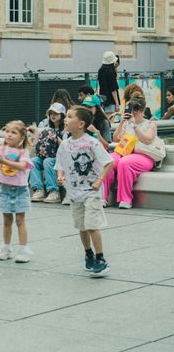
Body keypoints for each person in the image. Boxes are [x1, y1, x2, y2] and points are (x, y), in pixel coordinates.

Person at [55, 106, 114, 277]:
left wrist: (99, 180)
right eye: (66, 116)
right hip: (74, 192)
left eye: (69, 116)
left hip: (91, 191)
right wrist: (60, 176)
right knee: (81, 226)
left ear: (81, 124)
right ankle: (88, 254)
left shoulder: (92, 142)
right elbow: (60, 164)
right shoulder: (65, 145)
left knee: (92, 225)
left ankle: (101, 258)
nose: (65, 119)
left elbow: (109, 162)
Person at [0, 121, 34, 262]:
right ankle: (6, 248)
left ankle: (23, 250)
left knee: (20, 220)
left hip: (20, 190)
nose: (9, 134)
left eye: (13, 132)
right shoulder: (2, 149)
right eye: (7, 131)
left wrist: (4, 162)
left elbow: (22, 166)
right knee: (7, 221)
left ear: (21, 138)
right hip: (5, 189)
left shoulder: (23, 151)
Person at [103, 96, 157, 209]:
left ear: (142, 110)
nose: (133, 112)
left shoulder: (150, 124)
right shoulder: (126, 124)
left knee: (124, 162)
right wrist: (122, 122)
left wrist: (135, 126)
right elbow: (116, 139)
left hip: (143, 155)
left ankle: (125, 199)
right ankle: (102, 197)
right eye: (131, 109)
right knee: (108, 160)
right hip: (124, 152)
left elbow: (147, 140)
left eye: (136, 109)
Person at [28, 103, 67, 203]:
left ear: (62, 115)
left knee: (48, 162)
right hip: (44, 155)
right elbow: (35, 144)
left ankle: (54, 191)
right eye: (51, 113)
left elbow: (66, 146)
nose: (53, 116)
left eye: (56, 113)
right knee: (33, 161)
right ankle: (38, 189)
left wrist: (54, 136)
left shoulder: (65, 129)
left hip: (59, 157)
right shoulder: (44, 126)